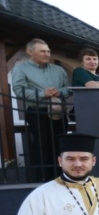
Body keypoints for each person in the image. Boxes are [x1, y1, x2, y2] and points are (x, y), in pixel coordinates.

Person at [11, 38, 70, 181]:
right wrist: (43, 94)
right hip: (37, 112)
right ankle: (42, 180)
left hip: (58, 113)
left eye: (48, 51)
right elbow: (19, 91)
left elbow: (68, 88)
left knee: (60, 146)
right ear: (30, 52)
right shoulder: (21, 69)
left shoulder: (58, 69)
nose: (47, 54)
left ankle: (62, 177)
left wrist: (60, 92)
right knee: (41, 147)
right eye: (42, 51)